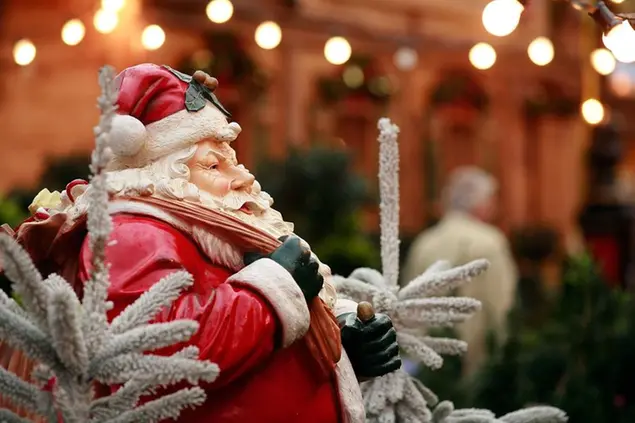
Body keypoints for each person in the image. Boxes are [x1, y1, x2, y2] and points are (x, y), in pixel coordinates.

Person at [6, 64, 401, 423]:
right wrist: (274, 288)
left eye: (231, 159)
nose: (242, 176)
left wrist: (343, 340)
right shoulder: (133, 234)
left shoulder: (213, 228)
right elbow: (160, 352)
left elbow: (265, 345)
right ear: (164, 174)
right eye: (213, 165)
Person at [403, 166, 517, 376]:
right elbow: (501, 306)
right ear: (481, 204)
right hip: (475, 363)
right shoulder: (490, 243)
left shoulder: (424, 243)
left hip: (427, 363)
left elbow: (405, 307)